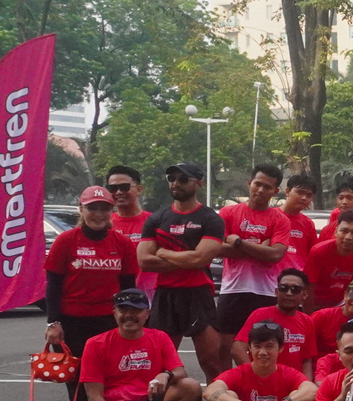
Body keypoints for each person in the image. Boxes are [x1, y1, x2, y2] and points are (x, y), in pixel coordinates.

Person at [44, 184, 140, 401]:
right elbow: (53, 285)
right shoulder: (66, 241)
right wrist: (53, 322)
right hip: (73, 324)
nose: (99, 214)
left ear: (112, 211)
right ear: (81, 209)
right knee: (79, 387)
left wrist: (131, 323)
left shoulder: (122, 243)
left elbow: (128, 288)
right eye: (92, 208)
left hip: (110, 323)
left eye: (104, 208)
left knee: (117, 382)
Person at [137, 161, 227, 387]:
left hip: (198, 295)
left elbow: (200, 259)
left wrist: (163, 252)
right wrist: (187, 259)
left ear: (199, 183)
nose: (176, 183)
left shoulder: (210, 219)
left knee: (211, 362)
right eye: (172, 178)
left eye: (183, 179)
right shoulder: (157, 218)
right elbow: (144, 261)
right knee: (159, 364)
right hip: (165, 296)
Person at [217, 164, 294, 364]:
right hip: (232, 290)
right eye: (257, 184)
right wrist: (261, 247)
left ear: (275, 191)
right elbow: (216, 249)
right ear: (249, 183)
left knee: (263, 349)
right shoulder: (228, 213)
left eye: (267, 187)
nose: (260, 190)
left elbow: (276, 255)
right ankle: (228, 383)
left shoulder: (281, 219)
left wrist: (238, 242)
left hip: (265, 292)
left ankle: (258, 382)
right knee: (225, 349)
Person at [240, 269, 319, 377]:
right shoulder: (260, 314)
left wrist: (307, 384)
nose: (289, 293)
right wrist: (254, 375)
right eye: (284, 288)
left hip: (294, 384)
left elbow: (306, 360)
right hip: (263, 381)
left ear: (304, 294)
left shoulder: (307, 321)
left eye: (295, 289)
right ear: (276, 292)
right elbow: (238, 349)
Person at [305, 209, 353, 309]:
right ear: (336, 231)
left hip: (343, 305)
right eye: (344, 231)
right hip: (315, 303)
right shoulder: (318, 251)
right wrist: (309, 316)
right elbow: (309, 288)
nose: (348, 237)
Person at [104, 165, 159, 299]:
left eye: (124, 187)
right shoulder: (105, 225)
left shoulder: (155, 222)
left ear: (139, 189)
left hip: (150, 297)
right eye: (112, 188)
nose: (118, 192)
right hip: (115, 298)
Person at [277, 173, 319, 278]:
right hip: (270, 280)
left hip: (297, 281)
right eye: (300, 192)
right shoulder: (271, 216)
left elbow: (313, 255)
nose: (304, 198)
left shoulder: (308, 223)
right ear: (287, 191)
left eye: (309, 195)